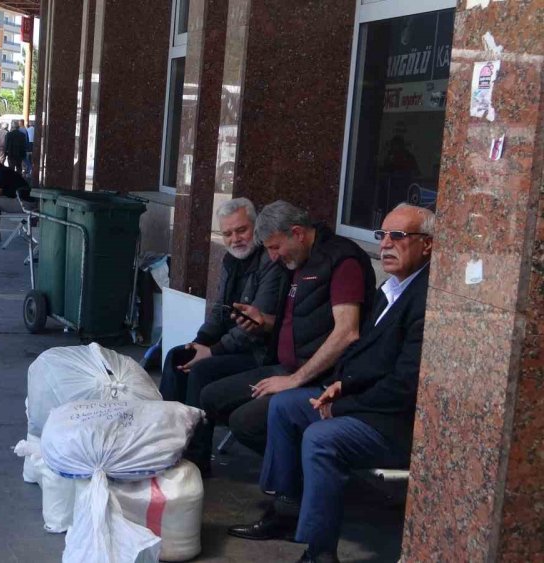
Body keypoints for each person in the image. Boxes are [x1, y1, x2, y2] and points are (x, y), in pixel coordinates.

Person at [228, 204, 434, 563]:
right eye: (382, 235)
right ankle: (286, 509)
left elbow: (406, 384)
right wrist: (339, 384)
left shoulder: (426, 299)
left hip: (393, 421)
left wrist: (342, 405)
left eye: (398, 236)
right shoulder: (393, 288)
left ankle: (319, 551)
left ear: (427, 245)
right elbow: (364, 356)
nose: (385, 245)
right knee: (284, 406)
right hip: (363, 400)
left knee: (322, 437)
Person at [198, 200, 375, 456]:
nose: (273, 256)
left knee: (244, 422)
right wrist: (263, 321)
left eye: (275, 247)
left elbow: (347, 332)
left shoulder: (341, 259)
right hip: (282, 365)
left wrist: (293, 380)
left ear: (298, 233)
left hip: (319, 377)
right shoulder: (294, 260)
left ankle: (299, 469)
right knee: (211, 396)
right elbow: (295, 319)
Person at [160, 198, 284, 474]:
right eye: (227, 233)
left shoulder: (270, 262)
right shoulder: (230, 260)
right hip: (230, 346)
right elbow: (219, 310)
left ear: (256, 228)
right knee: (178, 356)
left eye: (241, 230)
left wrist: (212, 351)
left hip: (258, 353)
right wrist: (201, 341)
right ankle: (165, 440)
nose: (235, 239)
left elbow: (253, 323)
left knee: (201, 369)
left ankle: (196, 460)